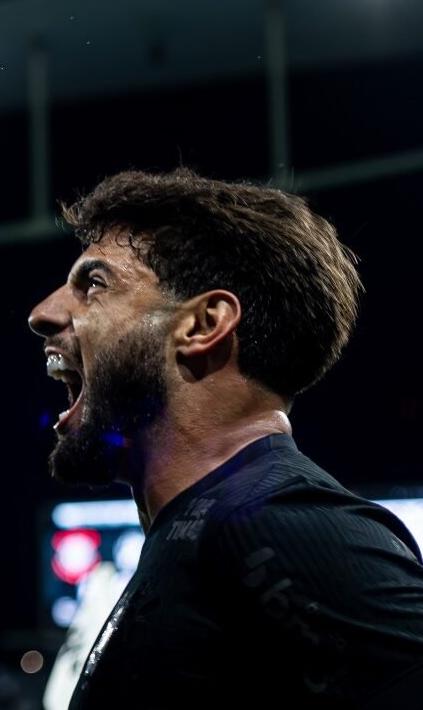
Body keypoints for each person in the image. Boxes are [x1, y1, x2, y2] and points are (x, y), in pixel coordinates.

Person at [28, 168, 423, 709]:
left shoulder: (284, 523)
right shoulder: (208, 528)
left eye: (94, 284)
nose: (43, 314)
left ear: (203, 324)